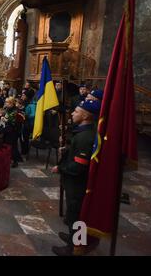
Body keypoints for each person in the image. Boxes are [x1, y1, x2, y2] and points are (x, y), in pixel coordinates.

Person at [51, 100, 101, 256]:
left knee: (76, 215)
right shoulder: (81, 132)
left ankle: (75, 247)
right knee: (72, 214)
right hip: (74, 182)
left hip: (77, 183)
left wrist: (60, 167)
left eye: (76, 111)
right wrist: (67, 149)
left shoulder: (85, 136)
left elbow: (79, 165)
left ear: (85, 116)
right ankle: (73, 237)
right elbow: (75, 150)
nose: (72, 113)